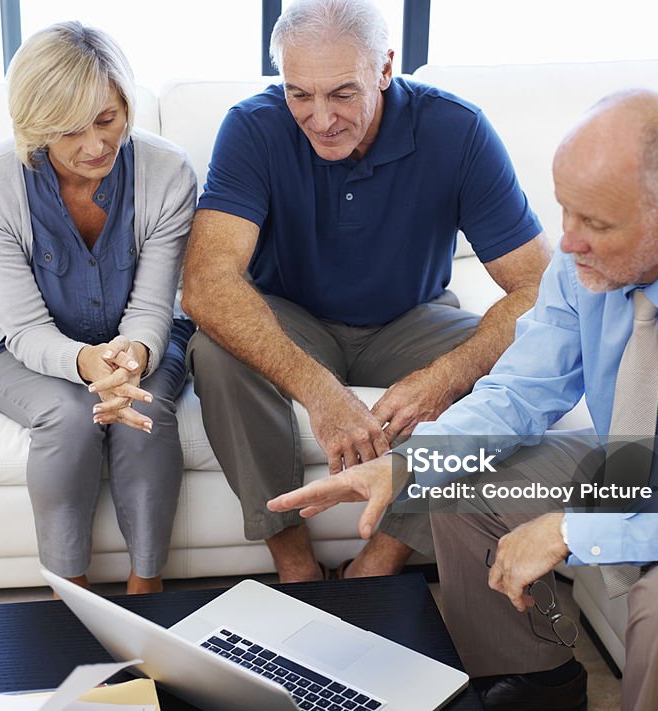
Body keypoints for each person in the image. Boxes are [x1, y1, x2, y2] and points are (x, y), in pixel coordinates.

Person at [269, 89, 658, 710]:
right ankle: (536, 686)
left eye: (596, 225)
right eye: (565, 214)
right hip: (656, 469)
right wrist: (408, 464)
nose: (568, 243)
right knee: (460, 476)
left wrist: (574, 530)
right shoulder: (586, 264)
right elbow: (519, 391)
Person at [182, 0, 550, 583]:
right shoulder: (253, 127)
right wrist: (320, 393)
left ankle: (378, 564)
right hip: (291, 317)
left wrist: (444, 377)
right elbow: (205, 285)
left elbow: (538, 289)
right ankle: (295, 565)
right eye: (299, 93)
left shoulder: (457, 129)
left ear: (385, 68)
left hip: (410, 318)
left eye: (342, 94)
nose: (320, 118)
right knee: (214, 349)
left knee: (528, 357)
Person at [0, 22, 197, 595]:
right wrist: (90, 365)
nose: (96, 146)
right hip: (22, 345)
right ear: (35, 128)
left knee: (144, 414)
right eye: (69, 131)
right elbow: (26, 327)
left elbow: (152, 304)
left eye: (108, 120)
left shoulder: (169, 173)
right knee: (70, 417)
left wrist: (133, 356)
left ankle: (146, 593)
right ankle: (73, 595)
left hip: (140, 338)